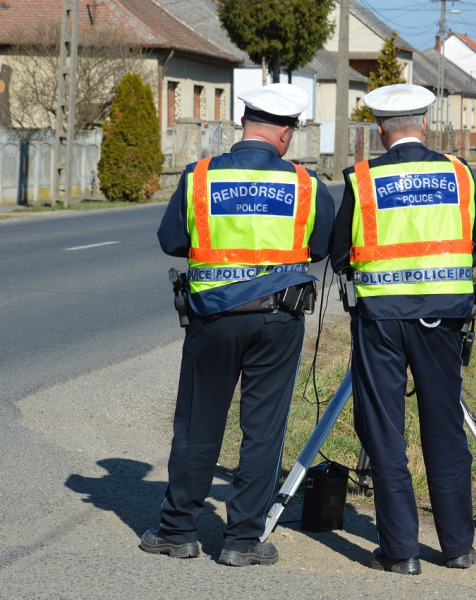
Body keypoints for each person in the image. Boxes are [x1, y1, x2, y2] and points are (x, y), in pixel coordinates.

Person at [141, 83, 334, 567]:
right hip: (278, 318)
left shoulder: (199, 177)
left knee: (198, 424)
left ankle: (178, 531)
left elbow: (171, 240)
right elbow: (320, 248)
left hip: (213, 318)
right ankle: (243, 541)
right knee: (263, 429)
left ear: (243, 123)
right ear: (286, 133)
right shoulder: (307, 185)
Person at [330, 83, 476, 575]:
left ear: (379, 130)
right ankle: (458, 546)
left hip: (381, 320)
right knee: (444, 427)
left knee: (385, 430)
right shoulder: (459, 173)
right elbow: (473, 246)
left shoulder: (362, 179)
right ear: (424, 123)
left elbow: (338, 255)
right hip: (444, 319)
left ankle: (401, 552)